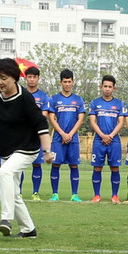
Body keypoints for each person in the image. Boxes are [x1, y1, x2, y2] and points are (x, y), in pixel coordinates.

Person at [0, 58, 56, 238]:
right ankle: (28, 229)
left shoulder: (25, 98)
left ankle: (6, 219)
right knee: (13, 192)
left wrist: (47, 151)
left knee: (4, 174)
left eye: (3, 78)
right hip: (6, 149)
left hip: (27, 148)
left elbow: (41, 123)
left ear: (14, 78)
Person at [47, 69, 85, 202]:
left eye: (69, 82)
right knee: (55, 164)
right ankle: (55, 194)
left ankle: (74, 194)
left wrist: (70, 134)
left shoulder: (78, 100)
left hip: (73, 139)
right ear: (60, 82)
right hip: (58, 138)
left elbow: (80, 119)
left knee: (74, 165)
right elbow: (51, 118)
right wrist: (63, 134)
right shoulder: (54, 99)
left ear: (73, 82)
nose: (67, 84)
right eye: (65, 82)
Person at [89, 75, 124, 203]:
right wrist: (102, 135)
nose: (107, 89)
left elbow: (121, 122)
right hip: (99, 140)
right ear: (101, 87)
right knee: (97, 167)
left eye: (110, 87)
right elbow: (93, 122)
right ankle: (96, 195)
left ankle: (115, 195)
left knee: (115, 167)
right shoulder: (94, 103)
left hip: (114, 140)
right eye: (105, 86)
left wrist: (110, 136)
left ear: (114, 88)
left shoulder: (119, 103)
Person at [24, 66, 48, 200]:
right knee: (18, 163)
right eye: (29, 77)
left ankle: (35, 193)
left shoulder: (43, 96)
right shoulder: (20, 93)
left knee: (37, 163)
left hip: (36, 135)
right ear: (25, 78)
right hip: (21, 135)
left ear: (38, 79)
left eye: (34, 77)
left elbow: (43, 116)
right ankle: (19, 192)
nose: (32, 80)